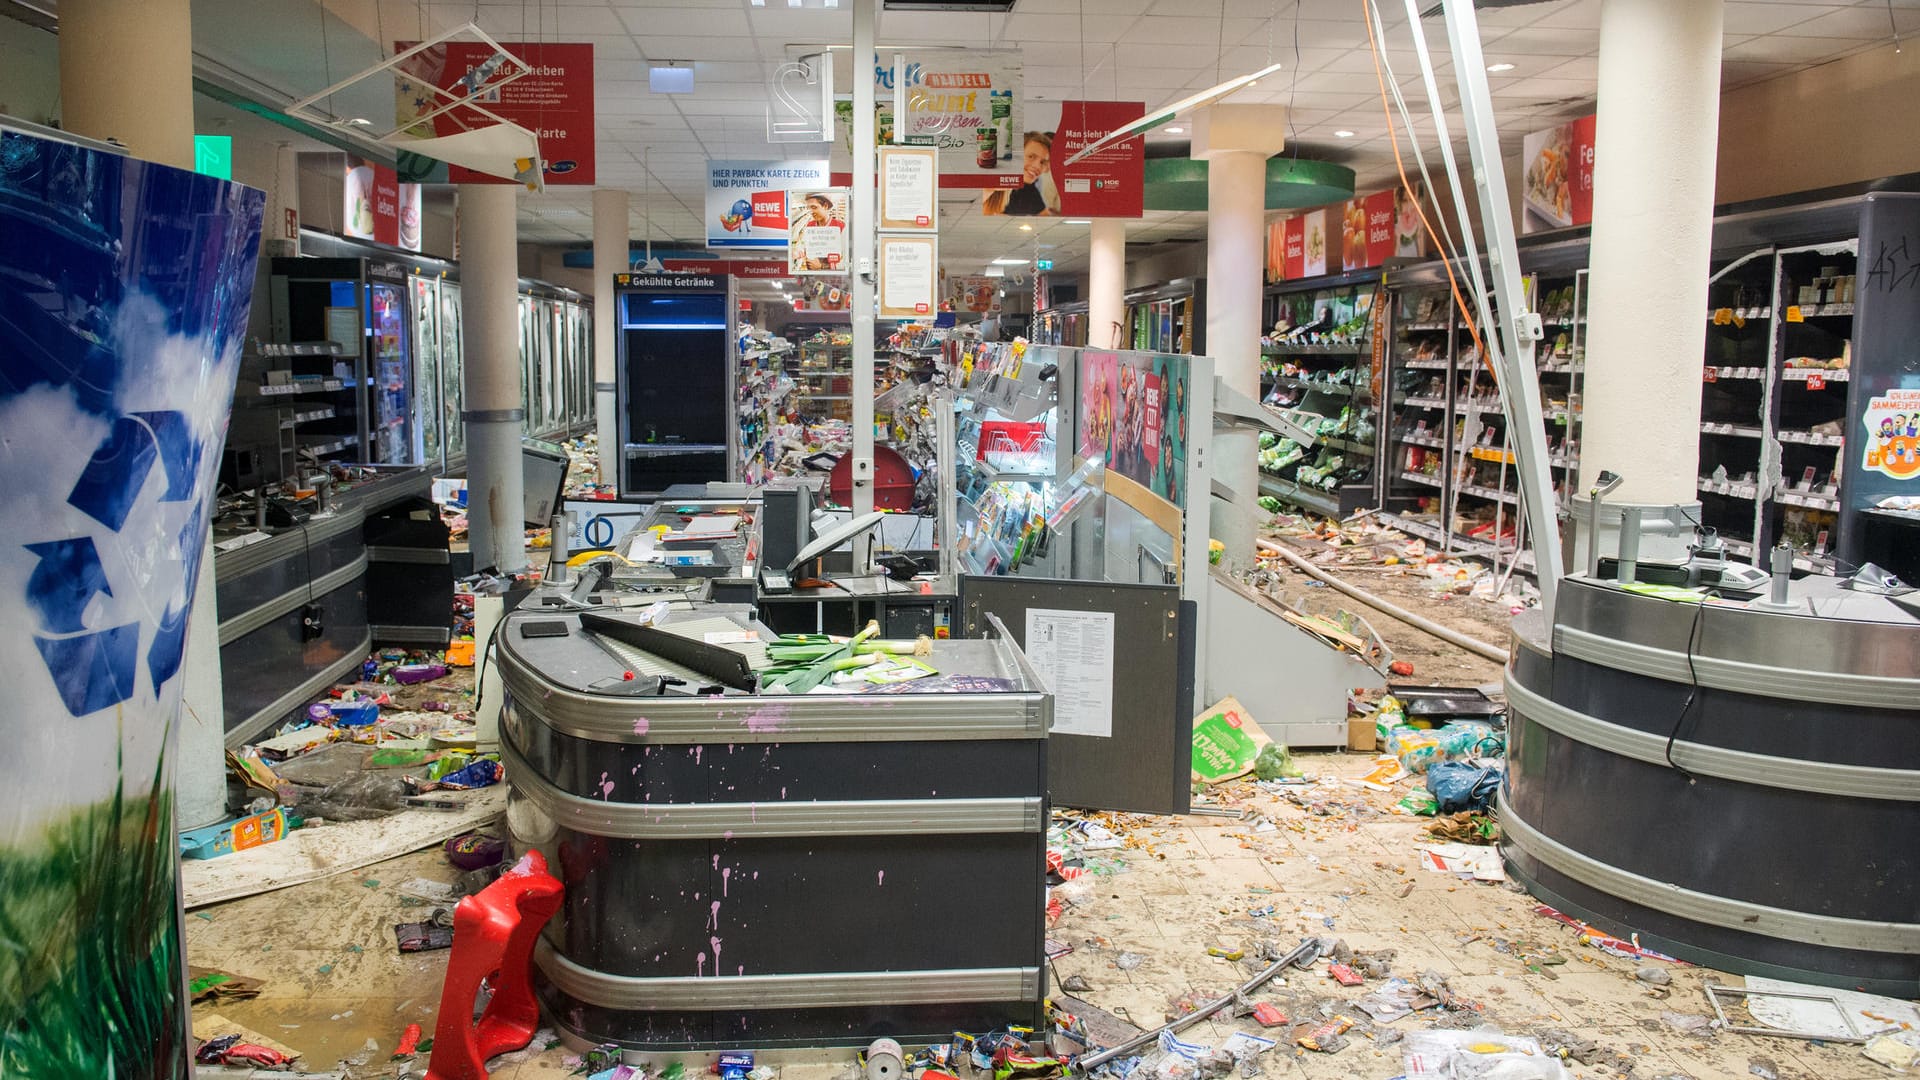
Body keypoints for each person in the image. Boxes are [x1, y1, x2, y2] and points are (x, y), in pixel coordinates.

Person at [982, 132, 1060, 217]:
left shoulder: (1026, 188)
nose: (1037, 166)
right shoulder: (988, 184)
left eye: (1042, 162)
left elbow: (1045, 216)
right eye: (1031, 156)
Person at [790, 193, 845, 271]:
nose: (811, 212)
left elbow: (846, 262)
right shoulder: (810, 225)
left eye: (814, 207)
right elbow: (805, 245)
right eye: (809, 208)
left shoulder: (841, 227)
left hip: (832, 275)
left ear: (825, 206)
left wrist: (822, 266)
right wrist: (798, 252)